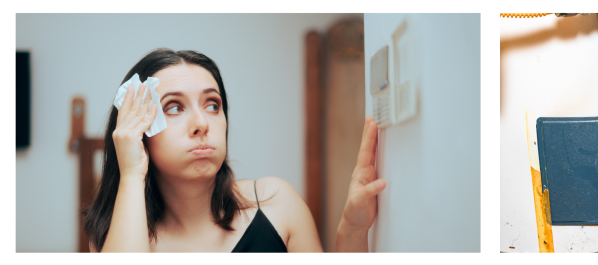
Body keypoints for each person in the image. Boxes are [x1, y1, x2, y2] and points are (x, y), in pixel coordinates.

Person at [82, 48, 386, 252]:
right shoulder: (122, 232)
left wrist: (352, 231)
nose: (201, 123)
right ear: (140, 130)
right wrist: (132, 172)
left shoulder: (277, 204)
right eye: (174, 107)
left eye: (212, 105)